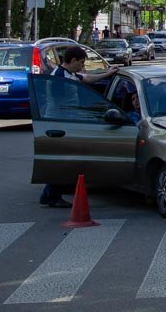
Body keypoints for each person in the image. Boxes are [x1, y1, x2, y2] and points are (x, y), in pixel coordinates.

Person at [39, 46, 120, 208]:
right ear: (73, 60)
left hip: (67, 123)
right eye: (81, 62)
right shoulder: (59, 77)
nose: (82, 66)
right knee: (64, 162)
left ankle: (48, 195)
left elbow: (87, 79)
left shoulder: (70, 74)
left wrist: (108, 73)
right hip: (60, 124)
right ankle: (53, 196)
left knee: (66, 160)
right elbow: (60, 103)